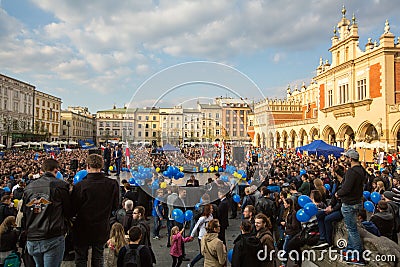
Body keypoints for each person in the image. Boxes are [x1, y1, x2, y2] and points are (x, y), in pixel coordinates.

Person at [71, 154, 120, 267]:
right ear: (102, 166)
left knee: (81, 259)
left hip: (82, 228)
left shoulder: (80, 186)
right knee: (98, 257)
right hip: (101, 227)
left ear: (87, 166)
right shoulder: (112, 184)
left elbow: (73, 209)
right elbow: (115, 206)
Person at [23, 158, 72, 267]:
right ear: (56, 170)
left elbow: (25, 212)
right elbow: (69, 211)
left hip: (33, 236)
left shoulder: (28, 187)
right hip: (52, 236)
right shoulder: (60, 185)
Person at [336, 149, 366, 265]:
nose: (345, 160)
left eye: (346, 158)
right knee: (350, 228)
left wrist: (338, 194)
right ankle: (349, 250)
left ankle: (358, 256)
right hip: (357, 201)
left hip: (349, 203)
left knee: (352, 230)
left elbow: (346, 188)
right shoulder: (362, 170)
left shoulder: (351, 172)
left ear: (351, 159)